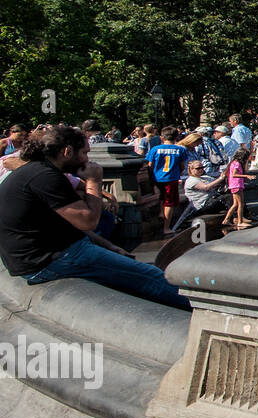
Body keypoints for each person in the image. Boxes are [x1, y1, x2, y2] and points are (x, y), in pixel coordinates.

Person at [0, 125, 189, 309]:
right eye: (84, 153)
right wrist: (94, 180)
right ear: (67, 151)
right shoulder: (46, 177)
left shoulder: (37, 170)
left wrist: (108, 245)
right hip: (46, 262)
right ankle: (206, 312)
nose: (87, 159)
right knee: (152, 276)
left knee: (131, 272)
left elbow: (68, 226)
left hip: (38, 257)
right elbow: (88, 221)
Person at [144, 127, 190, 231]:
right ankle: (166, 228)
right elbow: (182, 166)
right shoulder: (180, 149)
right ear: (177, 137)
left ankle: (161, 213)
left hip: (157, 178)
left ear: (161, 137)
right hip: (171, 178)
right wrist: (179, 173)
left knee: (162, 196)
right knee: (169, 202)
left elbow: (150, 165)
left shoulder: (155, 149)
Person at [168, 159, 229, 235]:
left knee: (232, 196)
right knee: (227, 198)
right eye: (198, 168)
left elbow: (215, 182)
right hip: (203, 205)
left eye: (202, 167)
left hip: (212, 200)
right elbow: (206, 187)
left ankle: (237, 217)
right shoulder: (191, 180)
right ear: (191, 169)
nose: (201, 170)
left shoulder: (205, 177)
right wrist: (220, 179)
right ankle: (235, 218)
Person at [222, 148, 254, 230]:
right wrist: (246, 176)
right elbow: (234, 174)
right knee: (241, 204)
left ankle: (226, 220)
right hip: (237, 185)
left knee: (235, 204)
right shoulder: (237, 163)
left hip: (234, 185)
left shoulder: (233, 163)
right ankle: (240, 221)